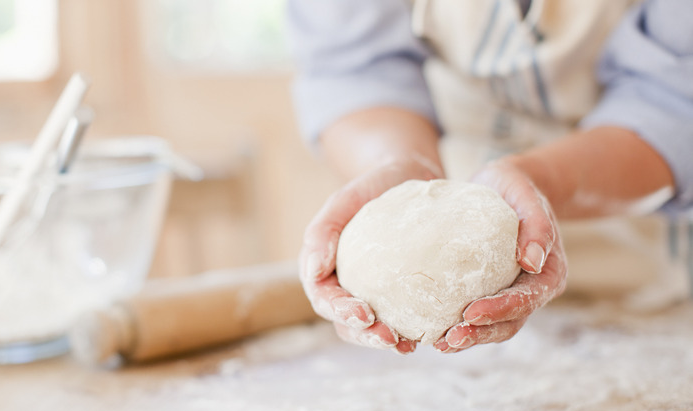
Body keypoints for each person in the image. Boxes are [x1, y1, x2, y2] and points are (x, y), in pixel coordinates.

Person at [287, 0, 693, 354]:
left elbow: (675, 99)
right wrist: (397, 168)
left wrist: (537, 180)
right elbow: (356, 66)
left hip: (645, 275)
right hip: (452, 308)